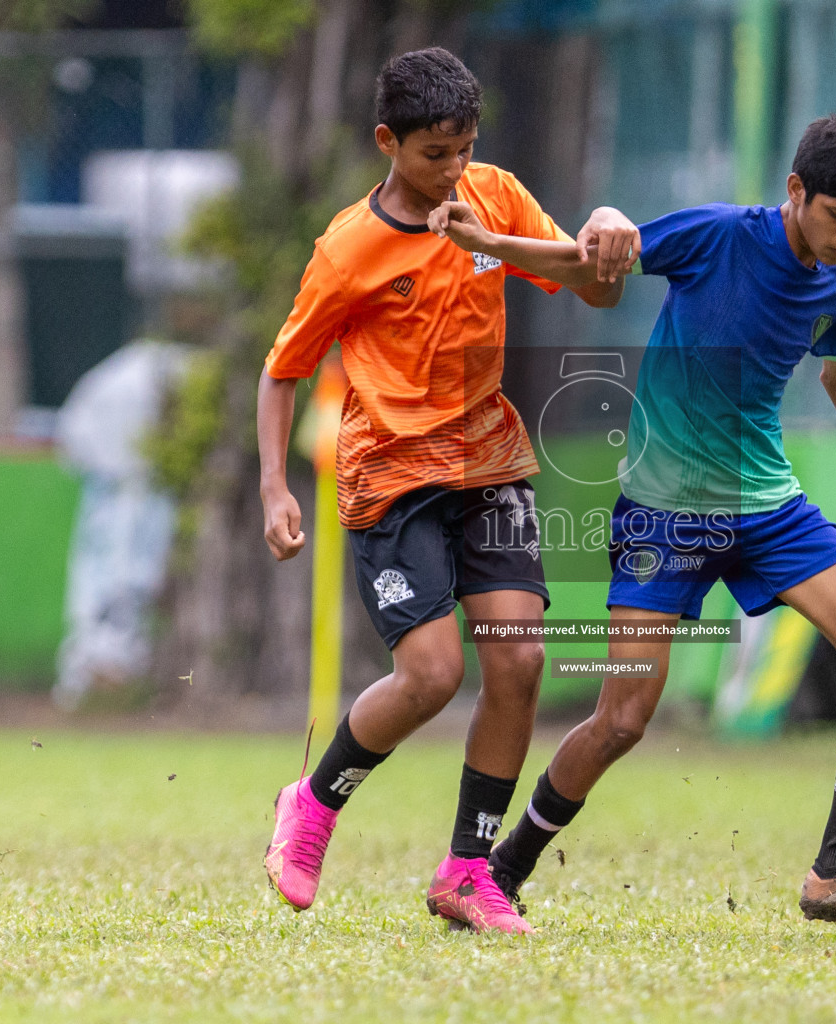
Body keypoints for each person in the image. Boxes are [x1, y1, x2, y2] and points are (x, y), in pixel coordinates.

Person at [441, 110, 836, 930]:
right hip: (664, 514)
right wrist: (500, 243)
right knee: (622, 721)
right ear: (796, 191)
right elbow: (592, 253)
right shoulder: (716, 237)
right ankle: (495, 874)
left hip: (768, 507)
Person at [257, 46, 640, 936]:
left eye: (466, 149)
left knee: (519, 659)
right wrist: (275, 488)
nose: (454, 171)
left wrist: (607, 228)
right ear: (388, 142)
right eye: (436, 155)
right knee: (431, 675)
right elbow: (285, 370)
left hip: (488, 458)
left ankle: (470, 871)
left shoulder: (494, 197)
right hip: (389, 472)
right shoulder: (349, 248)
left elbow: (589, 286)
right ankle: (312, 803)